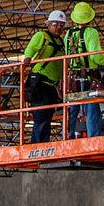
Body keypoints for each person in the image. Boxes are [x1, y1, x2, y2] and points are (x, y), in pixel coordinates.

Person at [64, 2, 104, 138]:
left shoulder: (68, 34)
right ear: (90, 18)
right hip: (88, 77)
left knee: (72, 110)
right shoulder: (91, 32)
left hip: (72, 78)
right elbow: (95, 56)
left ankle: (68, 139)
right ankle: (93, 138)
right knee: (91, 109)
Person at [21, 11, 66, 143]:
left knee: (47, 116)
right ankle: (38, 145)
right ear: (48, 25)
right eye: (55, 24)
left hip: (52, 85)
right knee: (41, 117)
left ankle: (40, 143)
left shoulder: (61, 42)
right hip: (40, 83)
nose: (59, 27)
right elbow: (32, 47)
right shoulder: (42, 36)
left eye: (61, 25)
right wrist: (28, 57)